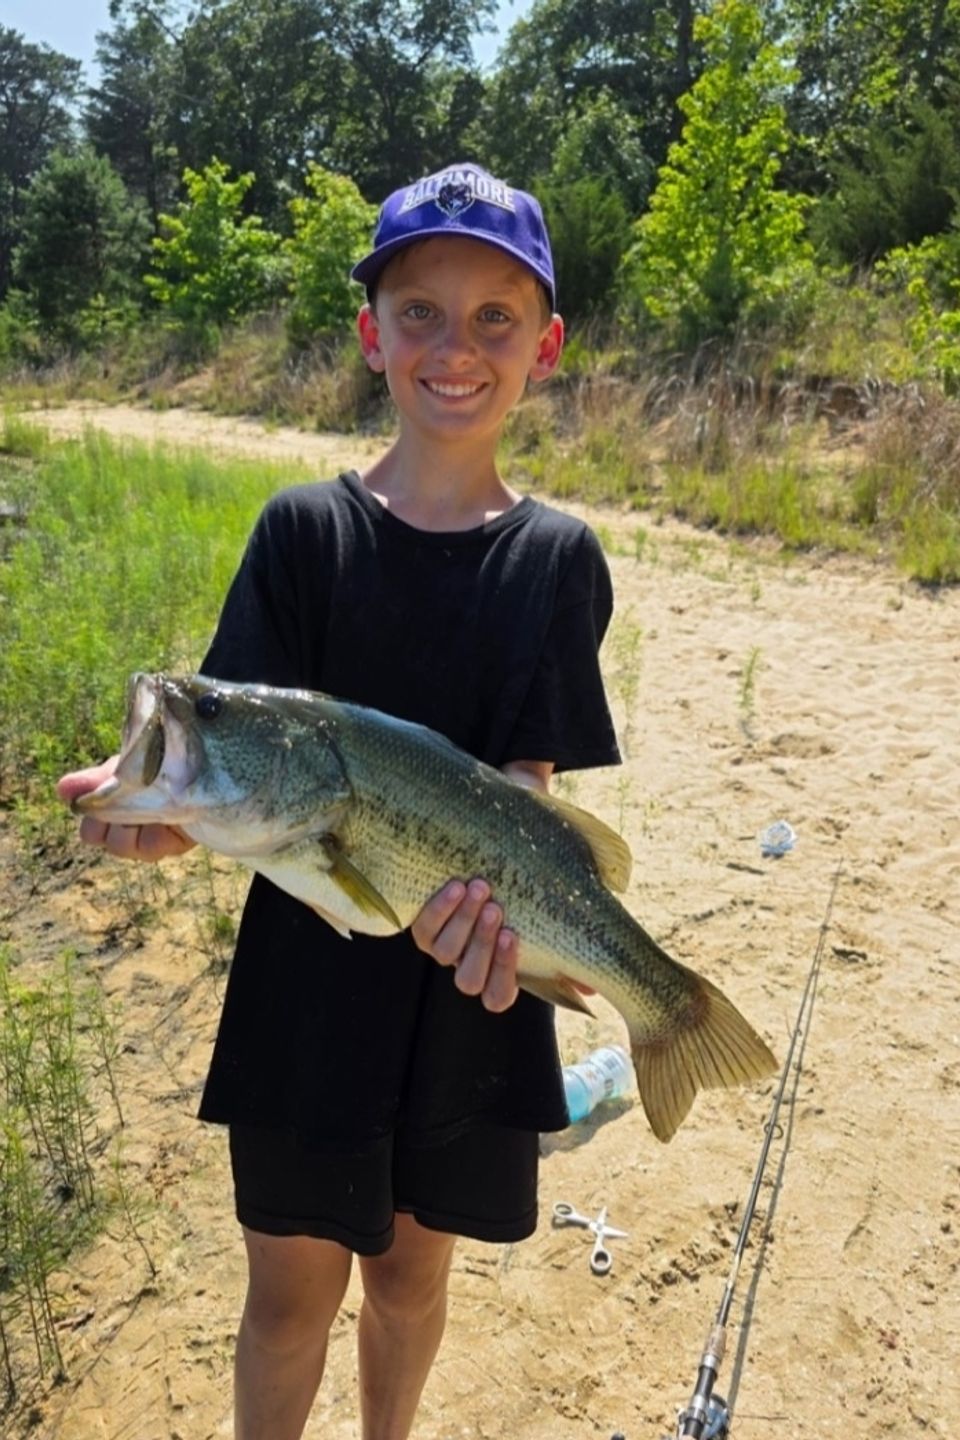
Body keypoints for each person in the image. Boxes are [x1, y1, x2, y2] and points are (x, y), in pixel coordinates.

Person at [57, 161, 621, 1440]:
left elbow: (530, 786)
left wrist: (511, 930)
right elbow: (239, 780)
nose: (455, 347)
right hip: (303, 1002)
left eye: (495, 317)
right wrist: (155, 815)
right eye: (419, 311)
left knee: (413, 1281)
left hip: (466, 996)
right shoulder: (300, 534)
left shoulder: (558, 559)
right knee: (286, 1294)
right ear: (371, 334)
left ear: (548, 343)